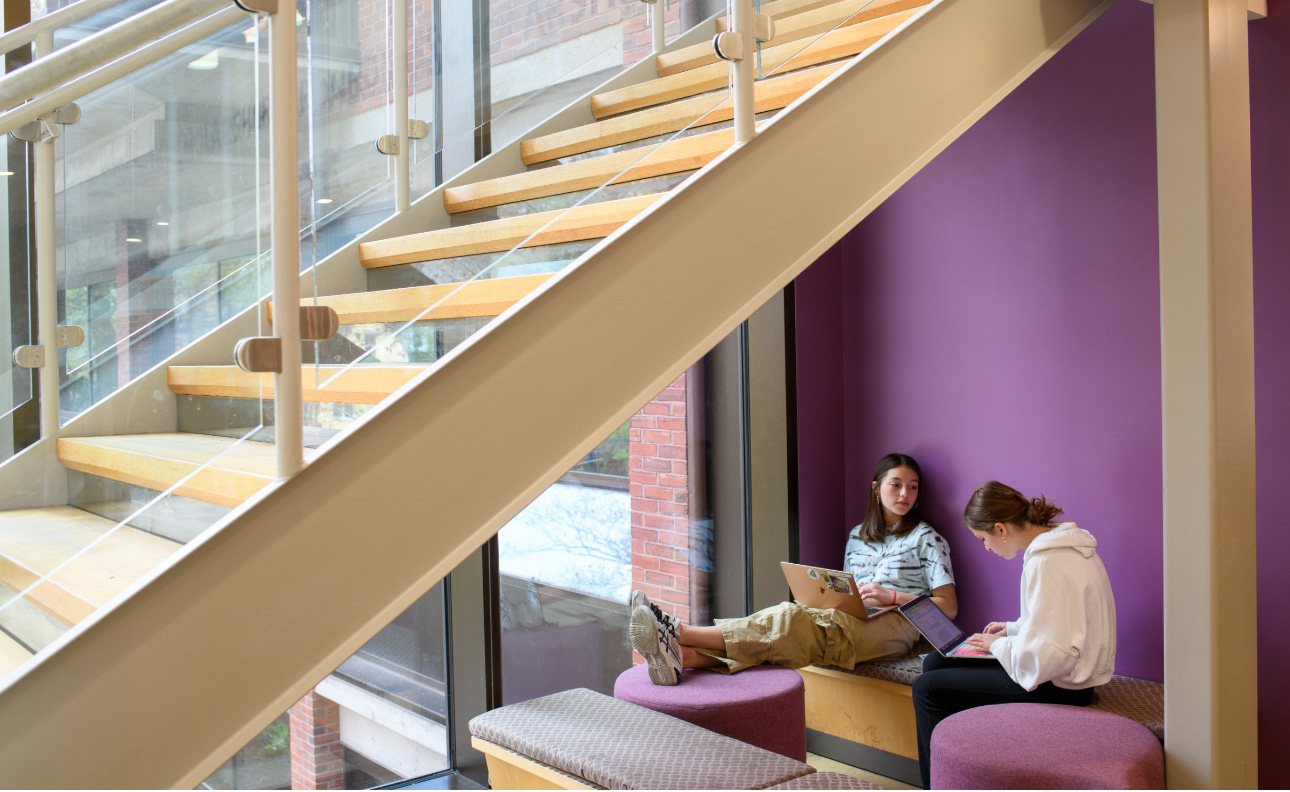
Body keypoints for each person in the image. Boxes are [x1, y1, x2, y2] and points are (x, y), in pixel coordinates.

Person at [630, 453, 957, 686]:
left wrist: (894, 595)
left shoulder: (926, 539)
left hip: (897, 627)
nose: (905, 494)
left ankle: (678, 632)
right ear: (876, 488)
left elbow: (949, 608)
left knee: (791, 619)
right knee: (795, 630)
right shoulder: (858, 536)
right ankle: (685, 658)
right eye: (896, 485)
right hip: (855, 618)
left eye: (913, 487)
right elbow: (848, 594)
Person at [911, 481, 1116, 788]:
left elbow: (1050, 655)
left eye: (983, 539)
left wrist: (1000, 645)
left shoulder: (1047, 562)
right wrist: (1013, 629)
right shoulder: (1062, 549)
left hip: (1063, 685)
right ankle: (963, 767)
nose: (987, 548)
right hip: (1063, 670)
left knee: (928, 688)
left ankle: (940, 783)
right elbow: (1062, 622)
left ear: (1000, 529)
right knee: (936, 665)